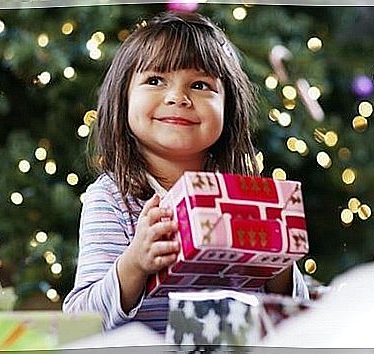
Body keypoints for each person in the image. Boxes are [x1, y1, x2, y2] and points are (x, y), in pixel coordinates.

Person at [62, 11, 309, 334]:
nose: (178, 97)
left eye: (200, 84)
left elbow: (297, 315)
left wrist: (279, 263)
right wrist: (134, 264)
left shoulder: (245, 199)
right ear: (122, 100)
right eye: (154, 80)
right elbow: (80, 319)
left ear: (228, 109)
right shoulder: (111, 198)